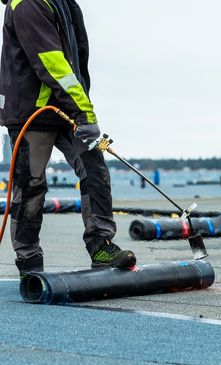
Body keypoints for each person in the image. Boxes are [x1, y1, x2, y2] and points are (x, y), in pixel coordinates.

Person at [0, 0, 136, 275]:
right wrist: (85, 112)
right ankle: (29, 262)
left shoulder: (63, 3)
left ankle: (101, 245)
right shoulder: (27, 4)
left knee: (95, 170)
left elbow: (75, 62)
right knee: (30, 188)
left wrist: (80, 110)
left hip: (66, 109)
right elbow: (52, 63)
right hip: (32, 112)